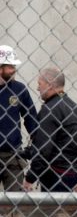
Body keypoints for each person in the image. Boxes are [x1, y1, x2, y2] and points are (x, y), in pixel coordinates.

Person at [22, 68, 77, 193]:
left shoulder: (50, 110)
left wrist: (30, 178)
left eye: (40, 84)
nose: (38, 88)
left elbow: (43, 149)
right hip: (73, 174)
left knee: (50, 211)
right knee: (66, 211)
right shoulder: (76, 108)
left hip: (54, 174)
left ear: (50, 84)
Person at [0, 45, 38, 191]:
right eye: (10, 66)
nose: (14, 70)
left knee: (15, 204)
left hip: (12, 155)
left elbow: (31, 119)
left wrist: (35, 143)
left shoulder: (19, 89)